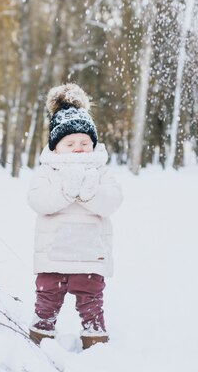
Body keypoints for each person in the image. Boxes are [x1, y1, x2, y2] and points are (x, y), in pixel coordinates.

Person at [27, 83, 123, 350]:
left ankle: (95, 342)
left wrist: (90, 194)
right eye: (70, 143)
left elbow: (113, 201)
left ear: (94, 144)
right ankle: (40, 339)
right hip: (53, 258)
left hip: (90, 256)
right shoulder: (49, 172)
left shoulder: (100, 172)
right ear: (56, 148)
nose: (79, 148)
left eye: (85, 142)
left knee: (91, 303)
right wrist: (66, 191)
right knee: (46, 302)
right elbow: (38, 201)